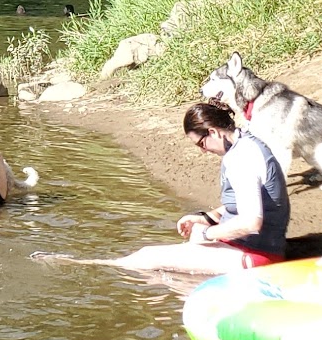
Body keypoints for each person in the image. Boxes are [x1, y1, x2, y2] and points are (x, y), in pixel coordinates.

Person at [109, 101, 290, 274]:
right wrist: (207, 218)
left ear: (213, 132)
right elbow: (247, 201)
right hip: (258, 247)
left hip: (255, 255)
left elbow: (251, 222)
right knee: (195, 232)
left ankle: (101, 265)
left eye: (201, 144)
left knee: (146, 257)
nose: (203, 151)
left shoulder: (240, 158)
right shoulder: (246, 143)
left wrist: (207, 233)